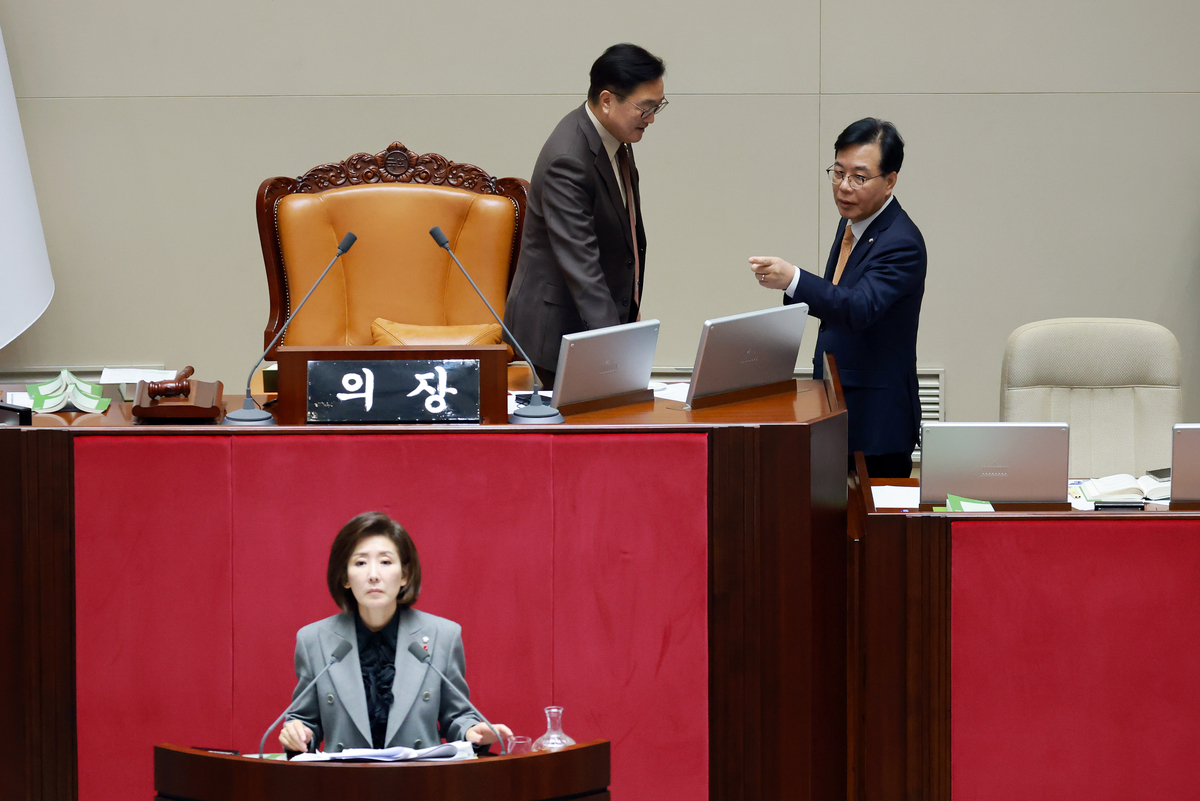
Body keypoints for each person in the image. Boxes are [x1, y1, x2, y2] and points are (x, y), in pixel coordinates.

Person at [749, 118, 927, 479]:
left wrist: (794, 279)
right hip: (841, 409)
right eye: (838, 172)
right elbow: (840, 299)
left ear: (890, 180)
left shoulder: (901, 242)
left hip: (876, 422)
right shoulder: (854, 223)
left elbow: (859, 307)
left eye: (859, 177)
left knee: (873, 531)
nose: (844, 187)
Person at [503, 43, 667, 387]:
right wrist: (618, 351)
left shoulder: (614, 138)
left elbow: (627, 235)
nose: (651, 119)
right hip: (555, 335)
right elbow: (582, 266)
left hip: (591, 327)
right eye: (645, 108)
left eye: (657, 106)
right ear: (607, 101)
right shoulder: (570, 159)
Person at [279, 512, 511, 753]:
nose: (373, 575)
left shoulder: (442, 635)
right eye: (360, 563)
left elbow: (457, 715)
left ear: (404, 575)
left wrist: (470, 731)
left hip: (419, 782)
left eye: (386, 562)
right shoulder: (314, 640)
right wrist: (298, 732)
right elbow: (305, 720)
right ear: (345, 577)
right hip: (345, 784)